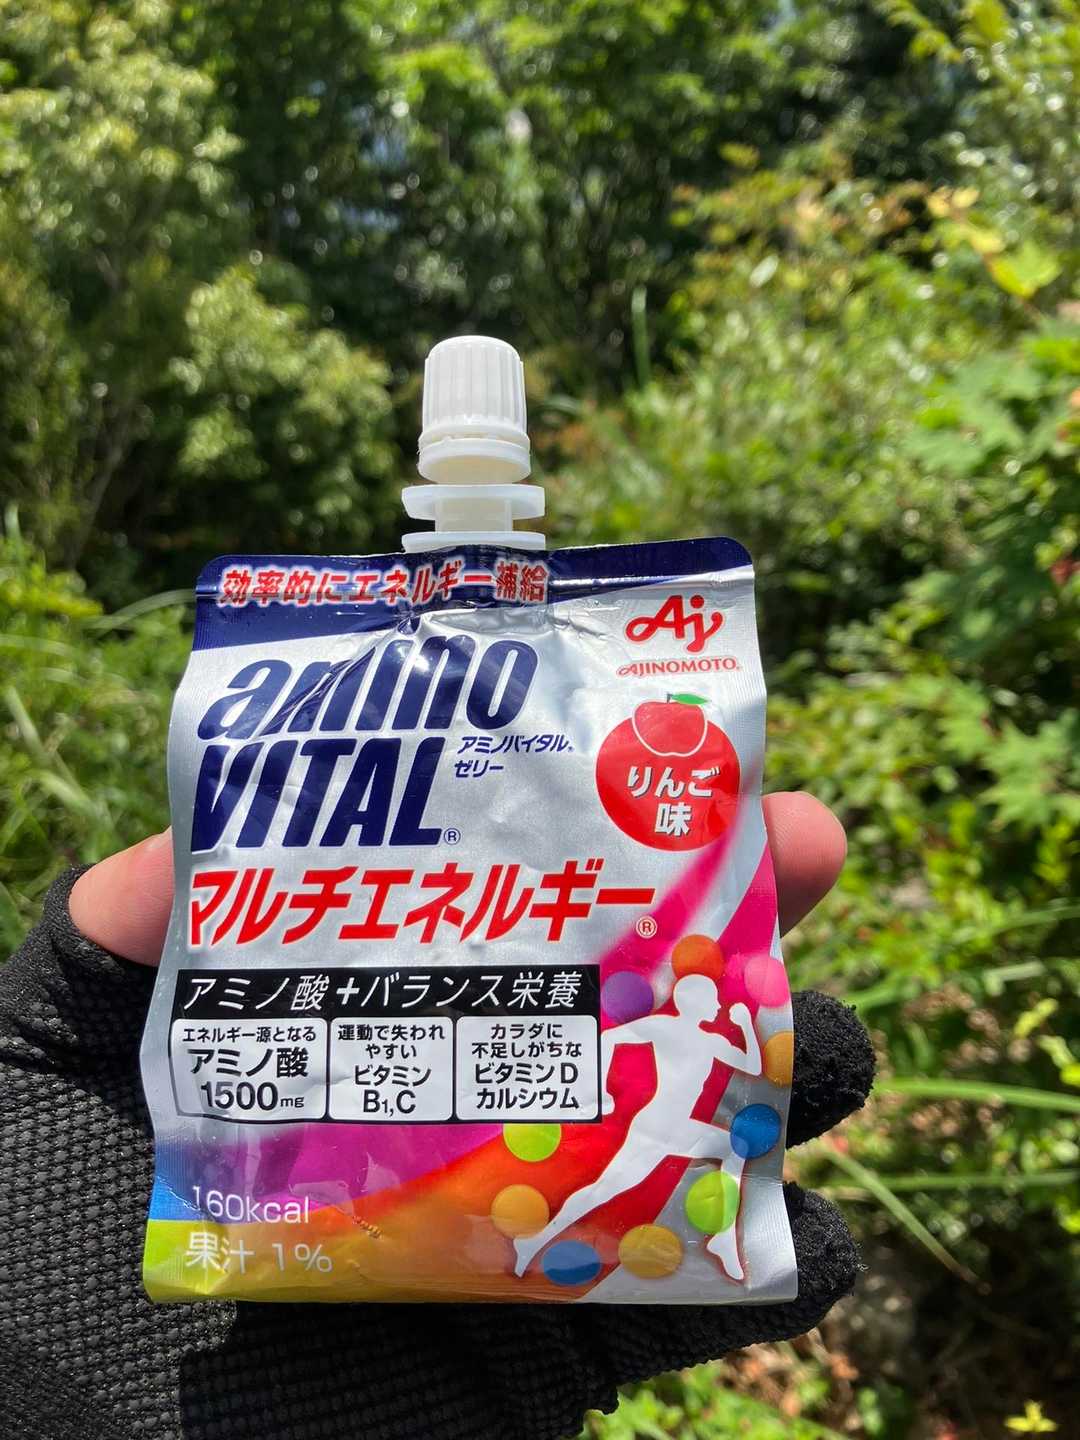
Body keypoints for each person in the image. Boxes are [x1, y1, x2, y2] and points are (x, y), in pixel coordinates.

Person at [0, 792, 875, 1440]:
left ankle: (670, 1237)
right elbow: (638, 1025)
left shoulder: (702, 1027)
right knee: (602, 1190)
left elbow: (695, 1037)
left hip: (627, 1147)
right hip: (251, 1241)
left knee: (664, 1180)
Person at [514, 976, 761, 1281]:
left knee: (735, 1148)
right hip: (657, 1124)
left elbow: (753, 1067)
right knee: (601, 1191)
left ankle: (723, 1238)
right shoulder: (665, 1027)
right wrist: (600, 1092)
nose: (718, 1005)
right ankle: (533, 1243)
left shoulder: (710, 1041)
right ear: (695, 1002)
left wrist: (746, 1024)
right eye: (712, 998)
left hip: (674, 1125)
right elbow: (607, 1038)